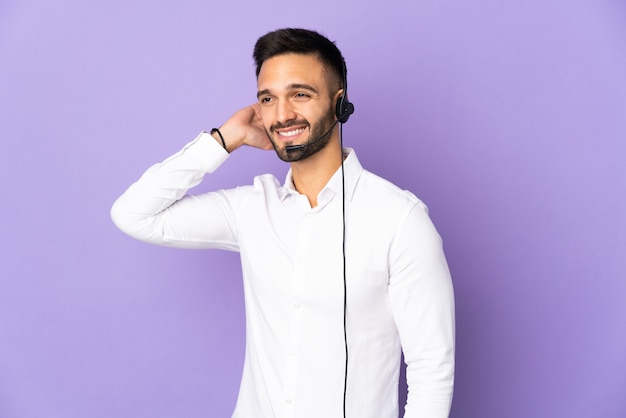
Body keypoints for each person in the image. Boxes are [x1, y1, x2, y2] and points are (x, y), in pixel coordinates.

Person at [111, 28, 455, 418]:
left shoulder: (400, 220)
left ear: (339, 103)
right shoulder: (252, 208)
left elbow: (432, 372)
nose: (283, 113)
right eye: (268, 99)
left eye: (300, 94)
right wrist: (225, 138)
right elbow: (134, 214)